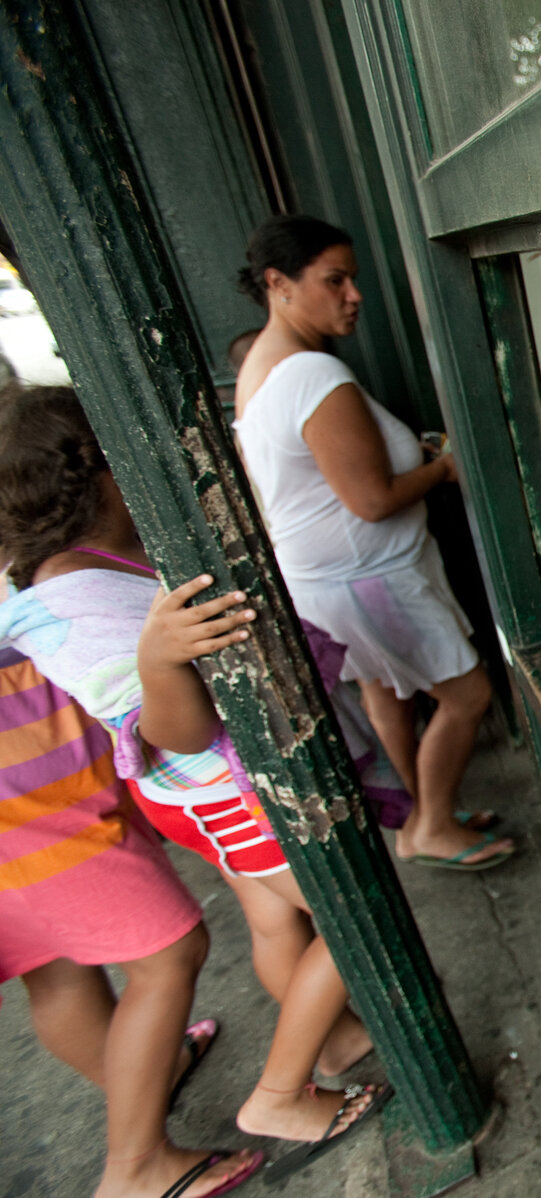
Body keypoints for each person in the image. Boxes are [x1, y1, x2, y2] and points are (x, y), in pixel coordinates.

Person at [0, 384, 389, 1167]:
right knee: (356, 916)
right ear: (103, 472)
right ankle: (278, 1094)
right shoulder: (75, 606)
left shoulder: (78, 570)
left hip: (203, 802)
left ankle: (337, 1040)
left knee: (279, 923)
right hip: (227, 796)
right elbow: (170, 728)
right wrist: (159, 655)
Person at [231, 214, 512, 870]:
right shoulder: (311, 377)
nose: (354, 294)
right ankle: (432, 826)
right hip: (371, 581)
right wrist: (444, 467)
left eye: (353, 278)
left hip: (327, 583)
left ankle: (425, 812)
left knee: (386, 696)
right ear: (279, 284)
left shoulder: (261, 371)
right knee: (467, 696)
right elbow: (373, 499)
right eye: (336, 280)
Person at [0, 632, 260, 1198]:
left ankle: (142, 1080)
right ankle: (136, 1164)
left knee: (53, 965)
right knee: (169, 952)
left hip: (22, 779)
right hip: (28, 783)